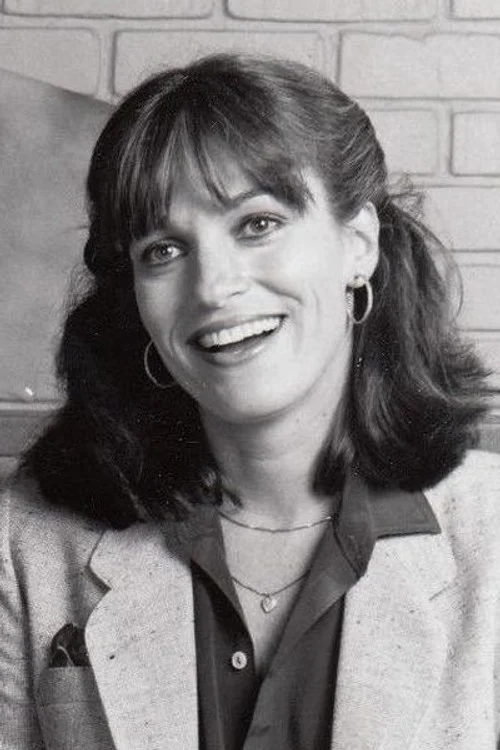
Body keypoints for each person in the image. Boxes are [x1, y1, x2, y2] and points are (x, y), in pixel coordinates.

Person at [1, 53, 499, 750]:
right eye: (164, 250)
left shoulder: (489, 533)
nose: (212, 287)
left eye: (257, 224)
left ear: (358, 244)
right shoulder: (25, 539)